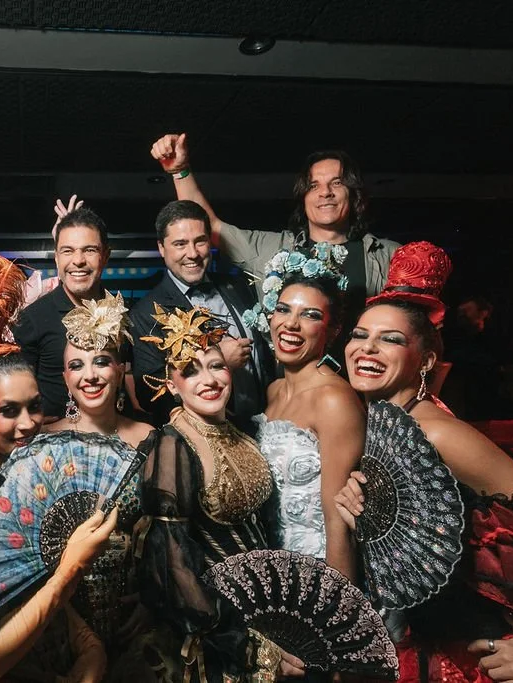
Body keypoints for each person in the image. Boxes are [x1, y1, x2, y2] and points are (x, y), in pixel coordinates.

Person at [334, 242, 513, 682]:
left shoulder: (438, 433)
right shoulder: (380, 421)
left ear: (426, 359)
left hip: (473, 657)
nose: (366, 348)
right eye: (360, 335)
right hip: (420, 645)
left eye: (390, 339)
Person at [0, 250, 115, 682]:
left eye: (34, 406)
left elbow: (44, 595)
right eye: (9, 410)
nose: (27, 424)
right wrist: (69, 570)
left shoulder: (43, 484)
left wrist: (90, 649)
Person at [135, 305, 304, 683]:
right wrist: (245, 644)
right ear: (171, 385)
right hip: (220, 628)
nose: (208, 380)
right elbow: (171, 566)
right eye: (190, 371)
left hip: (274, 608)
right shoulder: (171, 446)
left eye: (216, 366)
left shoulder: (242, 430)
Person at [149, 134, 399, 328]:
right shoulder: (272, 249)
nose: (325, 193)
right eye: (314, 186)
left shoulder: (388, 255)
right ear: (303, 196)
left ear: (353, 194)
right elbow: (211, 226)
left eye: (337, 183)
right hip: (290, 380)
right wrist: (179, 171)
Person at [242, 244, 363, 580]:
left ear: (333, 330)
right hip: (271, 571)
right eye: (283, 310)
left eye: (310, 315)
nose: (291, 324)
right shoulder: (274, 391)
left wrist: (337, 600)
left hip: (317, 572)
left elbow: (338, 518)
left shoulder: (334, 400)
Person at [44, 291, 154, 660]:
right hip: (60, 610)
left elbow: (165, 533)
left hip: (132, 610)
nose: (89, 375)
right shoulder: (44, 442)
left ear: (121, 370)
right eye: (76, 365)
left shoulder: (150, 439)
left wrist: (152, 597)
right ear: (65, 378)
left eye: (102, 361)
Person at [131, 199, 275, 433]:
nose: (193, 253)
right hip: (206, 438)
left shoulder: (237, 286)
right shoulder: (146, 312)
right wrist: (218, 363)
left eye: (200, 241)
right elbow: (150, 396)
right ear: (162, 248)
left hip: (266, 427)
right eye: (180, 244)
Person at [15, 205, 111, 421]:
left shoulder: (122, 314)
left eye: (89, 250)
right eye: (68, 251)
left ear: (105, 255)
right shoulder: (32, 319)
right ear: (57, 258)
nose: (78, 260)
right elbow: (19, 395)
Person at [442, 294, 513, 420]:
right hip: (461, 398)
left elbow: (510, 365)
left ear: (483, 313)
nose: (462, 315)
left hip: (491, 396)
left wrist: (511, 389)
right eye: (460, 312)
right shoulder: (454, 339)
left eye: (467, 311)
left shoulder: (497, 338)